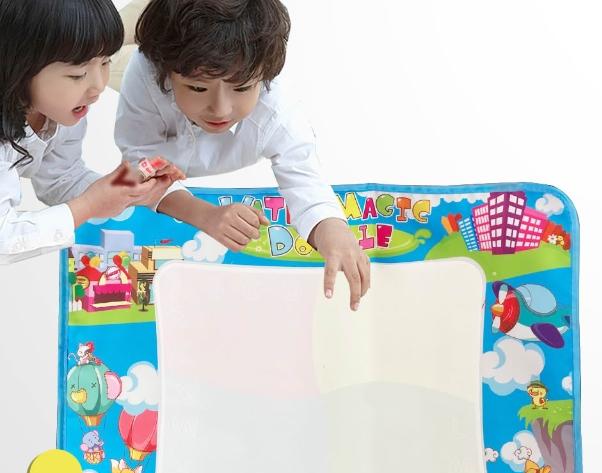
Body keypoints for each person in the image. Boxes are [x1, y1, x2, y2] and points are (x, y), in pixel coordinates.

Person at [116, 0, 371, 310]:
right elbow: (136, 166)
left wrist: (333, 228)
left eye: (242, 88)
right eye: (198, 88)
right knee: (109, 52)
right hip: (148, 84)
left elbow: (306, 181)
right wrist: (205, 214)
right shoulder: (145, 72)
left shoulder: (277, 112)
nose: (220, 109)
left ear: (264, 78)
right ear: (167, 74)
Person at [0, 0, 181, 266]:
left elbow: (61, 178)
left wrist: (123, 188)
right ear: (17, 66)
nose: (98, 86)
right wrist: (89, 205)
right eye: (78, 75)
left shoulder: (61, 112)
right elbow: (4, 237)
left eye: (106, 62)